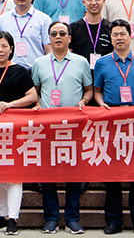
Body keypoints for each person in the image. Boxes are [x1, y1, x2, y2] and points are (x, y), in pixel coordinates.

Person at [29, 21, 93, 234]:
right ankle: (51, 219)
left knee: (74, 173)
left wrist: (84, 100)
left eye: (62, 33)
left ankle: (72, 219)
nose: (58, 37)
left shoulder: (81, 62)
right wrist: (38, 103)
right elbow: (35, 90)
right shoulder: (39, 63)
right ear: (49, 38)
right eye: (54, 34)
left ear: (69, 38)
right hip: (47, 124)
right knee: (48, 174)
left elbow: (89, 89)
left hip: (73, 124)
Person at [92, 20, 134, 236]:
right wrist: (101, 104)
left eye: (122, 34)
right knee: (112, 175)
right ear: (111, 38)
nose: (119, 38)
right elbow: (97, 91)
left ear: (130, 36)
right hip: (112, 120)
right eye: (115, 34)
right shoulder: (102, 63)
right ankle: (113, 221)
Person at [0, 31, 38, 236]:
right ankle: (3, 216)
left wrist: (10, 105)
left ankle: (13, 218)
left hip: (15, 131)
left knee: (14, 176)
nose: (0, 50)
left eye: (4, 46)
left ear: (11, 49)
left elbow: (32, 96)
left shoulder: (19, 71)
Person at [0, 0, 52, 70]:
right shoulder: (3, 19)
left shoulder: (44, 19)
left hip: (35, 70)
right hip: (9, 71)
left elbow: (49, 49)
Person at [69, 0, 113, 69]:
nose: (93, 3)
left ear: (103, 1)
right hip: (80, 72)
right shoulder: (73, 28)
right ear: (84, 2)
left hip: (105, 72)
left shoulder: (110, 28)